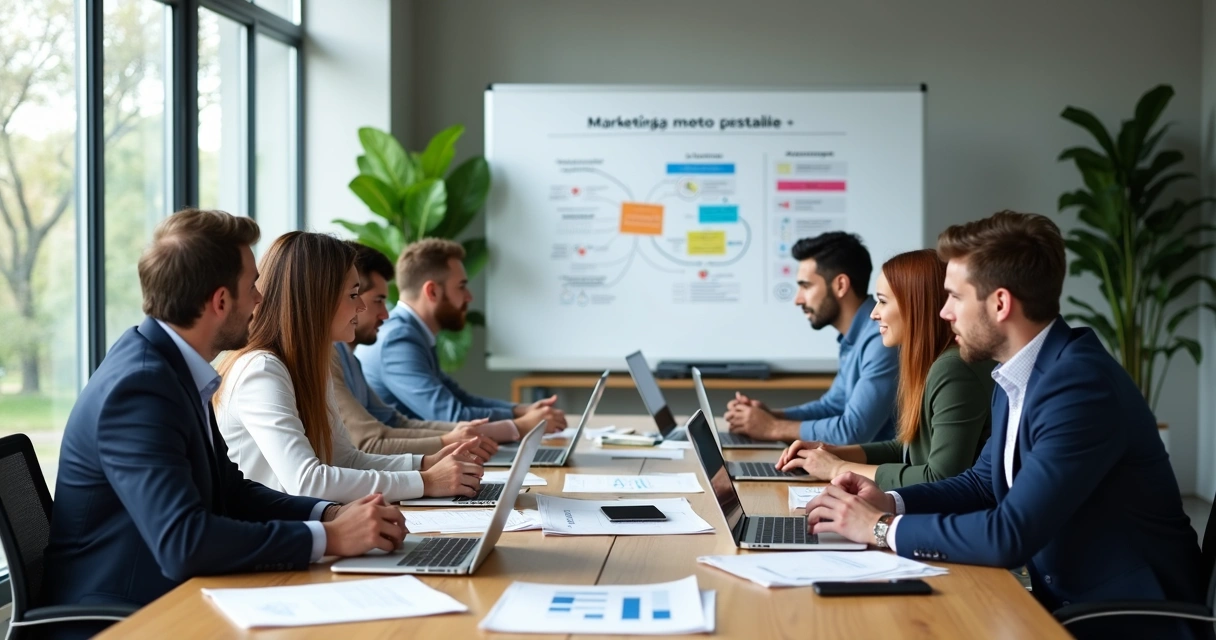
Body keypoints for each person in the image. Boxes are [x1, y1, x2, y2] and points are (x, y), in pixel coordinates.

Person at [804, 212, 1204, 639]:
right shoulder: (1018, 374)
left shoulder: (1079, 386)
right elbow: (981, 484)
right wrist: (891, 502)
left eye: (955, 297)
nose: (943, 313)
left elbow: (1009, 534)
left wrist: (878, 528)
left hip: (1132, 618)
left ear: (999, 303)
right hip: (1069, 604)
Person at [41, 210, 406, 638]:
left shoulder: (172, 369)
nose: (260, 298)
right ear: (219, 301)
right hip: (124, 616)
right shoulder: (140, 389)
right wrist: (329, 538)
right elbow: (184, 543)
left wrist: (330, 512)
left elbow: (231, 490)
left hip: (172, 596)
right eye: (252, 285)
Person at [215, 232, 486, 503]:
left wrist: (424, 464)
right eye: (354, 294)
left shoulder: (311, 365)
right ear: (318, 298)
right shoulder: (261, 371)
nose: (362, 306)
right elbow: (307, 481)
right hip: (277, 537)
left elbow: (346, 459)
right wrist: (425, 481)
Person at [775, 249, 994, 489]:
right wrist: (832, 453)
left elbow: (940, 478)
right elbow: (908, 448)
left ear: (915, 305)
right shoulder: (931, 362)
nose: (873, 313)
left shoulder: (952, 369)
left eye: (882, 301)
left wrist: (838, 468)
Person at [358, 238, 566, 431]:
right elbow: (451, 416)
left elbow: (460, 399)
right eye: (461, 287)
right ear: (432, 292)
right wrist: (523, 424)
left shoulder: (412, 333)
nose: (469, 297)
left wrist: (521, 411)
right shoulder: (398, 340)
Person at [334, 241, 512, 456]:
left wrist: (517, 415)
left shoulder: (349, 354)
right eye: (461, 286)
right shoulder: (397, 339)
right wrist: (517, 425)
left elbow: (394, 422)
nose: (385, 314)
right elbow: (372, 442)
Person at [725, 231, 899, 444]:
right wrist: (770, 416)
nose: (798, 300)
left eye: (806, 286)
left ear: (840, 285)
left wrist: (772, 427)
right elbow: (832, 407)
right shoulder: (857, 336)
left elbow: (852, 431)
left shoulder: (881, 337)